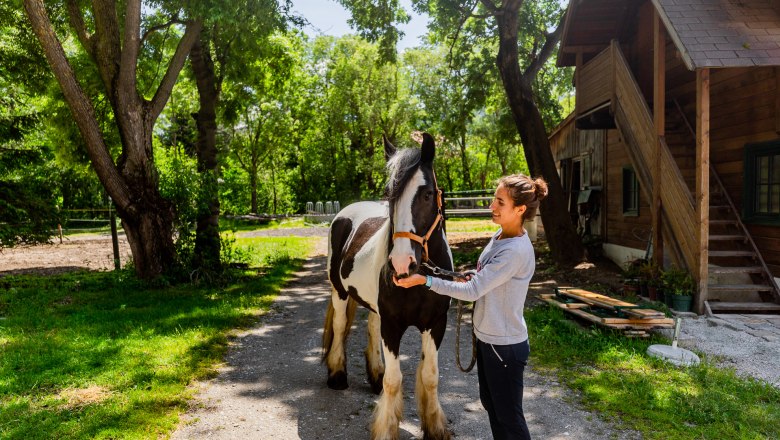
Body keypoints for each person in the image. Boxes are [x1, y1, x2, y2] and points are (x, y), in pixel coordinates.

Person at [393, 174, 547, 440]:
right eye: (494, 199)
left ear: (520, 209)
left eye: (500, 202)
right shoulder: (501, 236)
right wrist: (470, 275)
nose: (492, 206)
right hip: (490, 341)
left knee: (509, 418)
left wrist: (426, 280)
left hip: (504, 347)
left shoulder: (515, 251)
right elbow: (485, 278)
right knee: (493, 408)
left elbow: (473, 292)